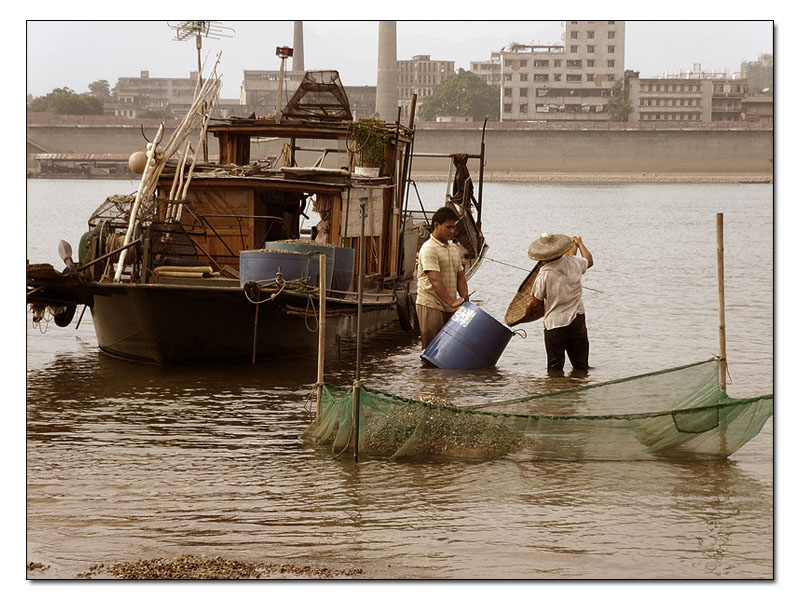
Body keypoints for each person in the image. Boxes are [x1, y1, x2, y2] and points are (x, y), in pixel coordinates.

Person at [525, 232, 594, 373]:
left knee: (555, 368)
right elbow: (589, 260)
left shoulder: (544, 274)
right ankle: (580, 388)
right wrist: (580, 243)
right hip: (577, 319)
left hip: (555, 325)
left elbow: (536, 303)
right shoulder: (574, 262)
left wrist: (528, 311)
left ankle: (556, 389)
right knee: (581, 365)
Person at [416, 206, 469, 350]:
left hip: (449, 306)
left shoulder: (453, 248)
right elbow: (435, 280)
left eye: (454, 227)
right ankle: (427, 373)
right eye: (448, 227)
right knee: (432, 349)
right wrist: (452, 302)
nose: (452, 231)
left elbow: (460, 275)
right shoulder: (429, 249)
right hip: (431, 305)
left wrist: (465, 298)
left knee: (448, 349)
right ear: (436, 225)